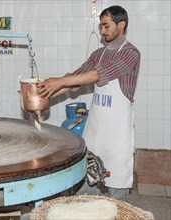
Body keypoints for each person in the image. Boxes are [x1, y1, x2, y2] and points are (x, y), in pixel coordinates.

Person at [37, 5, 141, 201]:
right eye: (101, 26)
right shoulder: (98, 54)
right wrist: (46, 92)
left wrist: (60, 82)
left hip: (117, 131)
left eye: (106, 26)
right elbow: (76, 77)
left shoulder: (130, 53)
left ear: (122, 24)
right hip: (95, 126)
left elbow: (100, 74)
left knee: (116, 181)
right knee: (87, 172)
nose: (102, 31)